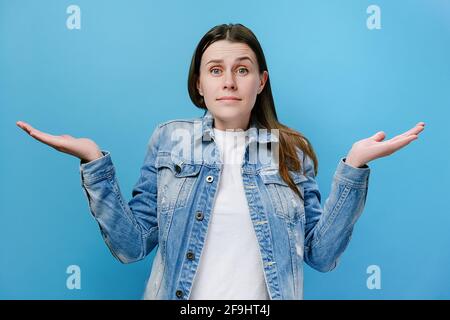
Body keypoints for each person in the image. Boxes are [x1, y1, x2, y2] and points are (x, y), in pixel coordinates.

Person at [16, 23, 425, 300]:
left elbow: (321, 254)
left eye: (242, 69)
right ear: (199, 82)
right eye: (215, 70)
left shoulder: (289, 150)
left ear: (260, 81)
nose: (228, 80)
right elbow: (132, 246)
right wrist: (93, 162)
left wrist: (353, 168)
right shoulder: (170, 139)